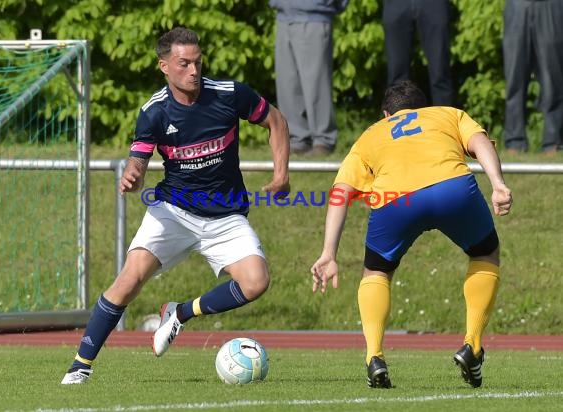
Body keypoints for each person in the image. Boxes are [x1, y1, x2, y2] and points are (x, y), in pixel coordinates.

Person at [61, 26, 290, 384]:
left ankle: (180, 313)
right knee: (129, 280)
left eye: (198, 62)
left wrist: (281, 175)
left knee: (256, 281)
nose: (194, 71)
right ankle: (80, 367)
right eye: (184, 64)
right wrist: (134, 175)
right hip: (173, 212)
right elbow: (139, 157)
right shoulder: (153, 111)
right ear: (164, 66)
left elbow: (275, 120)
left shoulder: (229, 94)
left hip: (226, 216)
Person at [310, 80, 512, 389]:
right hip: (452, 186)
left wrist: (328, 253)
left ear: (385, 113)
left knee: (376, 271)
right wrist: (497, 183)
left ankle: (374, 357)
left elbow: (341, 191)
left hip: (395, 200)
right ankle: (472, 345)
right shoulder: (447, 114)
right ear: (425, 108)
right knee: (485, 253)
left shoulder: (371, 134)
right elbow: (480, 141)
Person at [269, 0, 349, 155]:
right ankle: (297, 138)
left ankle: (323, 140)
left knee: (316, 84)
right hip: (284, 16)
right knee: (288, 84)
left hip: (314, 16)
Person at [503, 0, 563, 153]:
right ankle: (515, 141)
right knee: (514, 77)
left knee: (554, 79)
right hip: (517, 5)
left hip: (551, 4)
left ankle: (553, 141)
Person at [382, 0, 454, 106]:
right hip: (395, 4)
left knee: (440, 73)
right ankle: (397, 120)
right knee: (396, 78)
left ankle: (445, 121)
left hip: (433, 4)